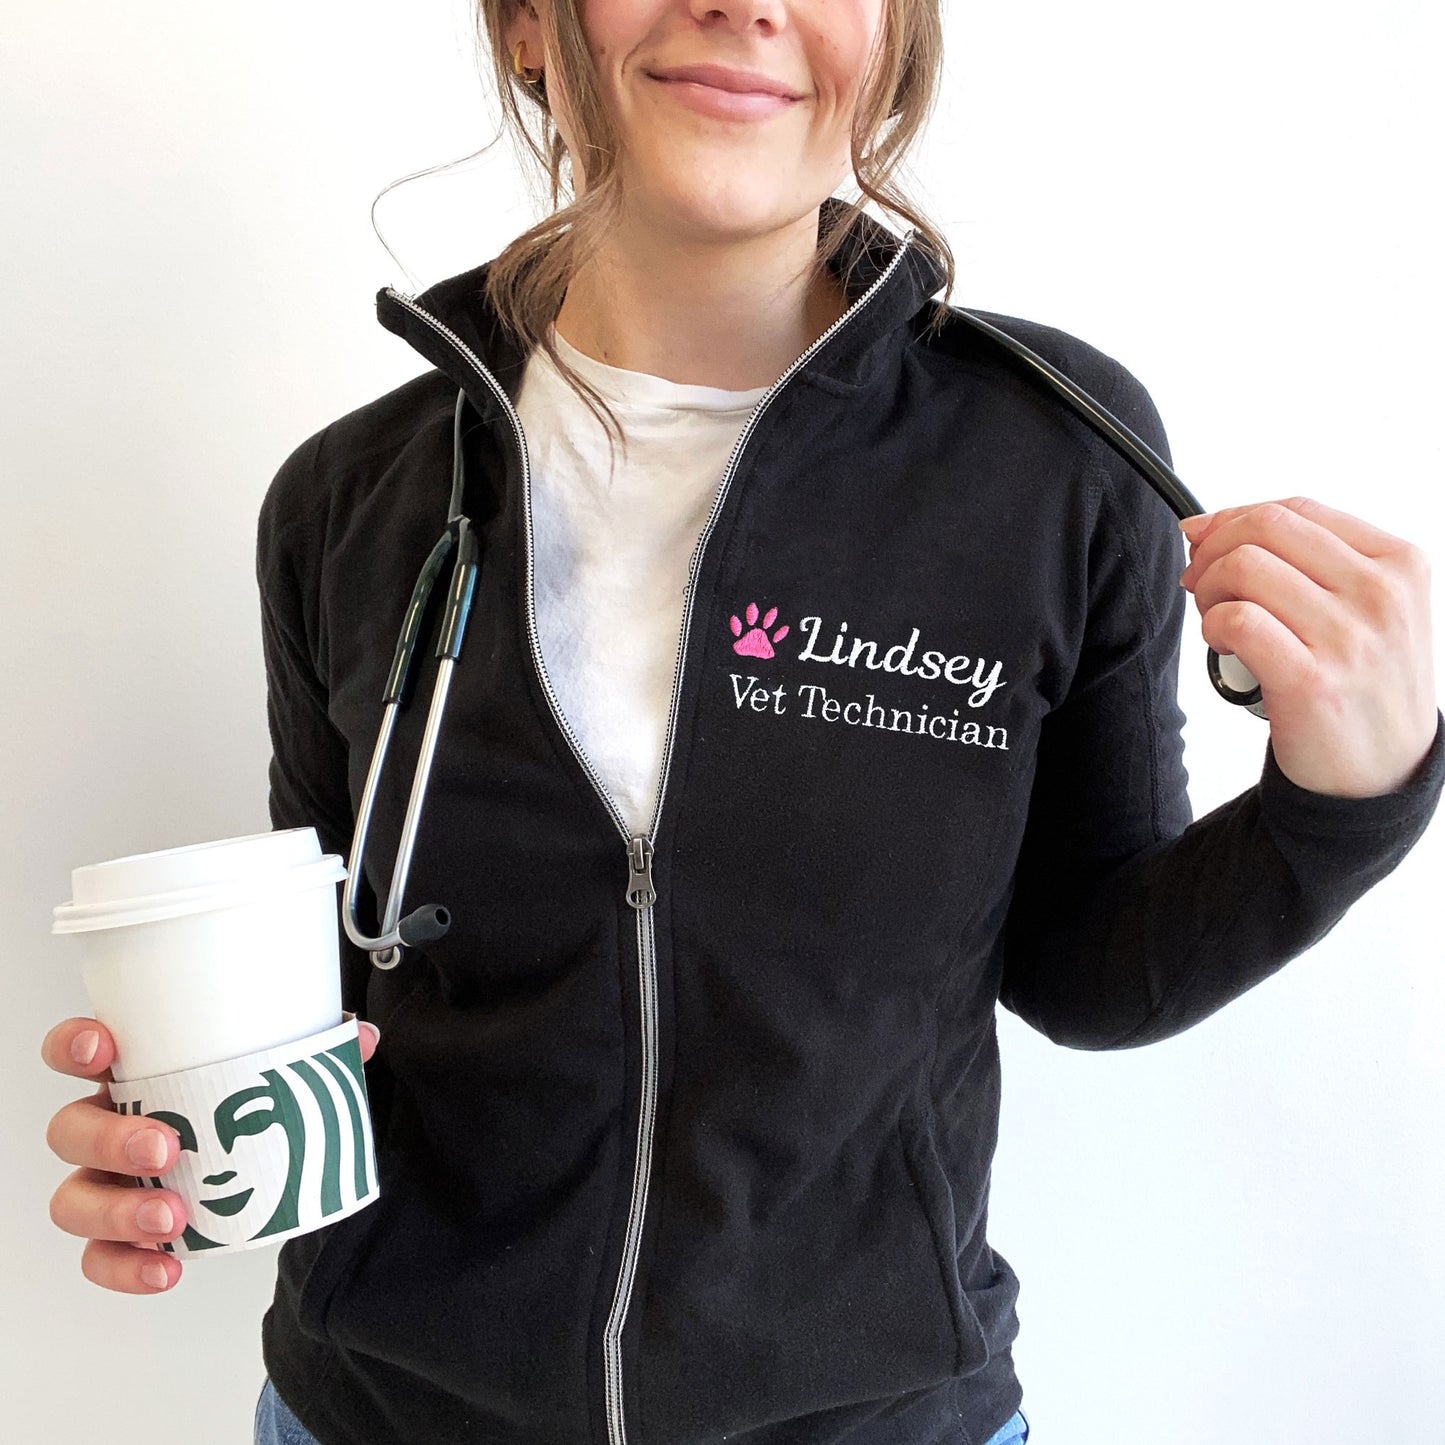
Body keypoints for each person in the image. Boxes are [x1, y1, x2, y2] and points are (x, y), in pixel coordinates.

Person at [41, 1, 1444, 1442]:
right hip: (377, 1415)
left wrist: (1345, 805)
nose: (745, 2)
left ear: (889, 40)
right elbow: (321, 983)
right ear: (531, 27)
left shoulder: (1050, 460)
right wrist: (166, 1133)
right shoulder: (347, 501)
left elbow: (1088, 962)